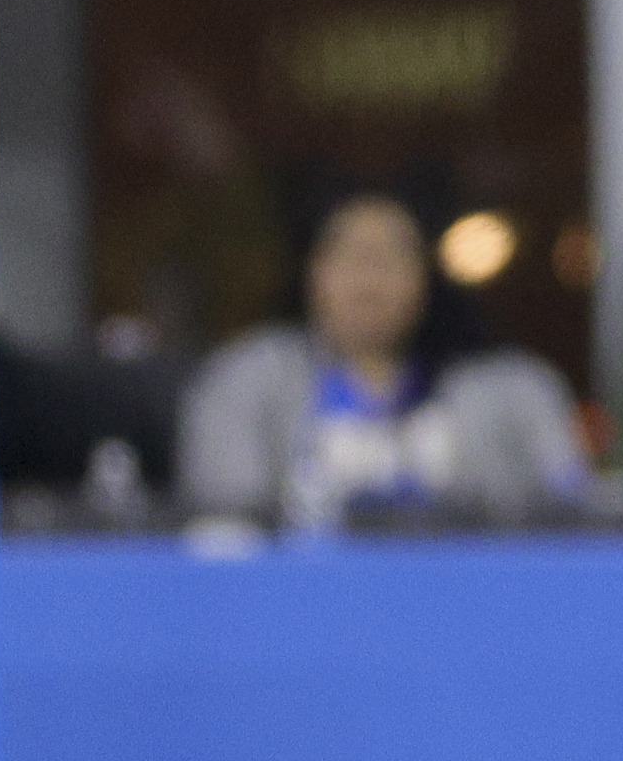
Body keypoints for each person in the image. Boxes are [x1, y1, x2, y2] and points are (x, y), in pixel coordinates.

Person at [178, 191, 587, 530]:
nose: (370, 282)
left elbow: (568, 512)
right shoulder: (247, 381)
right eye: (353, 260)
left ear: (424, 283)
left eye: (391, 261)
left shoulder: (503, 391)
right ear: (315, 276)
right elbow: (223, 525)